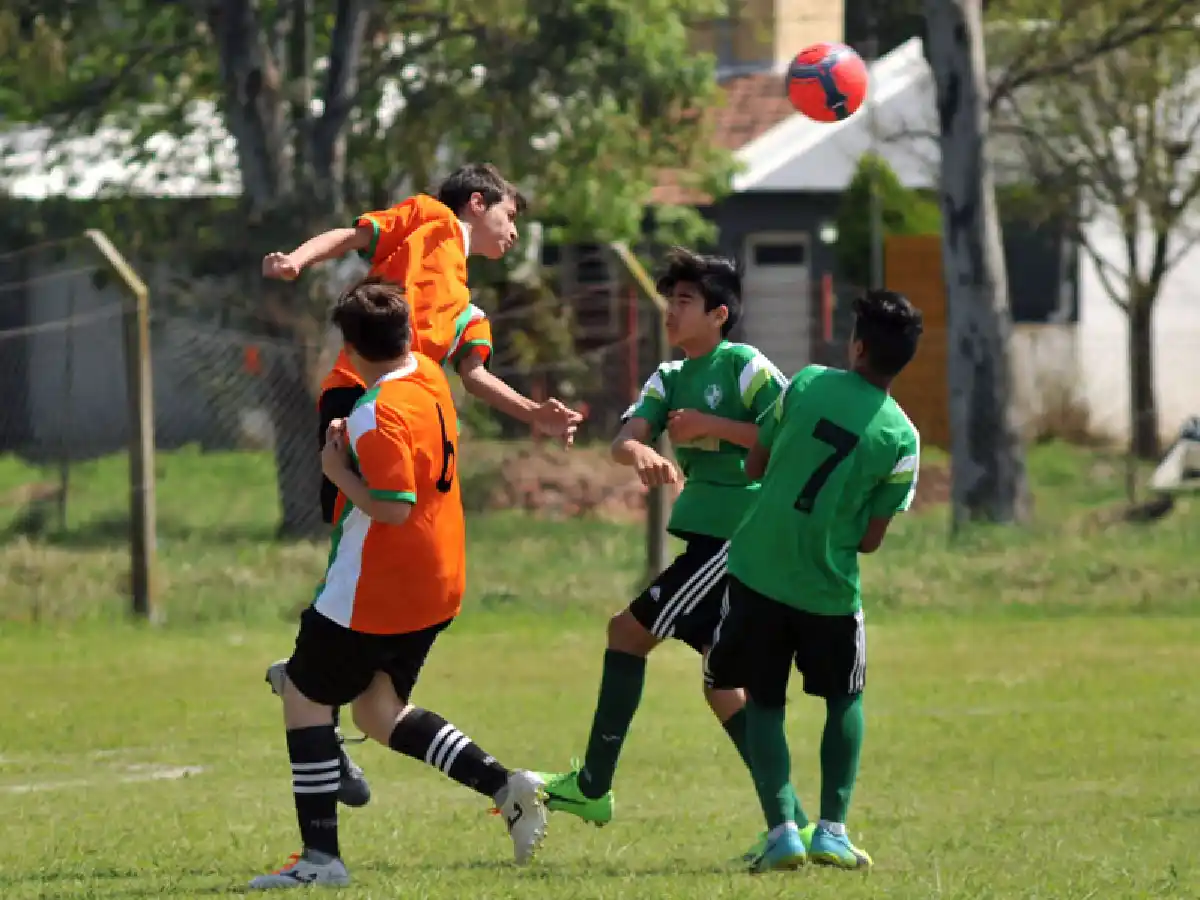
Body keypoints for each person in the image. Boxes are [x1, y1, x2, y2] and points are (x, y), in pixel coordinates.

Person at [263, 163, 582, 804]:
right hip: (358, 400)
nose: (514, 231)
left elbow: (476, 377)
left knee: (383, 542)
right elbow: (355, 235)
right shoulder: (431, 218)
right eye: (509, 215)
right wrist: (297, 259)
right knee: (357, 540)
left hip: (410, 418)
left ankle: (312, 695)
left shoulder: (467, 306)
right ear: (476, 203)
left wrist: (534, 414)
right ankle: (313, 698)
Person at [249, 278, 548, 890]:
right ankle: (504, 787)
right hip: (436, 582)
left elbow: (392, 505)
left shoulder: (374, 413)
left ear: (349, 351)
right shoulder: (430, 378)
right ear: (409, 336)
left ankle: (320, 860)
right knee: (379, 711)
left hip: (374, 590)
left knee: (303, 693)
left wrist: (336, 467)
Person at [538, 248, 805, 842]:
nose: (672, 311)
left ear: (719, 313)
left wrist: (711, 426)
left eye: (685, 301)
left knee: (626, 633)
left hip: (739, 538)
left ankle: (592, 787)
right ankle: (791, 827)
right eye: (670, 300)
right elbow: (623, 440)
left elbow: (788, 436)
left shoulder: (746, 367)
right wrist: (641, 451)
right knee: (723, 687)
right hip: (711, 542)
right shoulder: (670, 376)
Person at [706, 289, 923, 873]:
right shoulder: (903, 439)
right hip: (828, 589)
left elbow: (755, 463)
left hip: (758, 571)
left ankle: (782, 833)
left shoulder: (805, 384)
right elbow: (871, 539)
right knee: (844, 698)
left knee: (764, 701)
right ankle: (832, 831)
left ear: (858, 347)